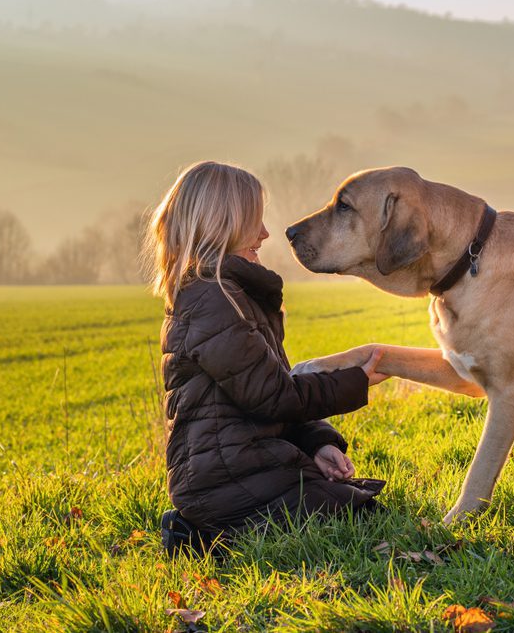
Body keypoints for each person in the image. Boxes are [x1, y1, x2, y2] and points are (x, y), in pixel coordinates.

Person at [145, 160, 387, 555]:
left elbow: (271, 392)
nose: (265, 233)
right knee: (356, 513)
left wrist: (318, 444)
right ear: (222, 225)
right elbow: (274, 397)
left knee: (353, 504)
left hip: (245, 464)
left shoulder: (230, 295)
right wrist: (353, 381)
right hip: (222, 480)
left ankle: (208, 529)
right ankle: (196, 535)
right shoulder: (211, 300)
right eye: (253, 221)